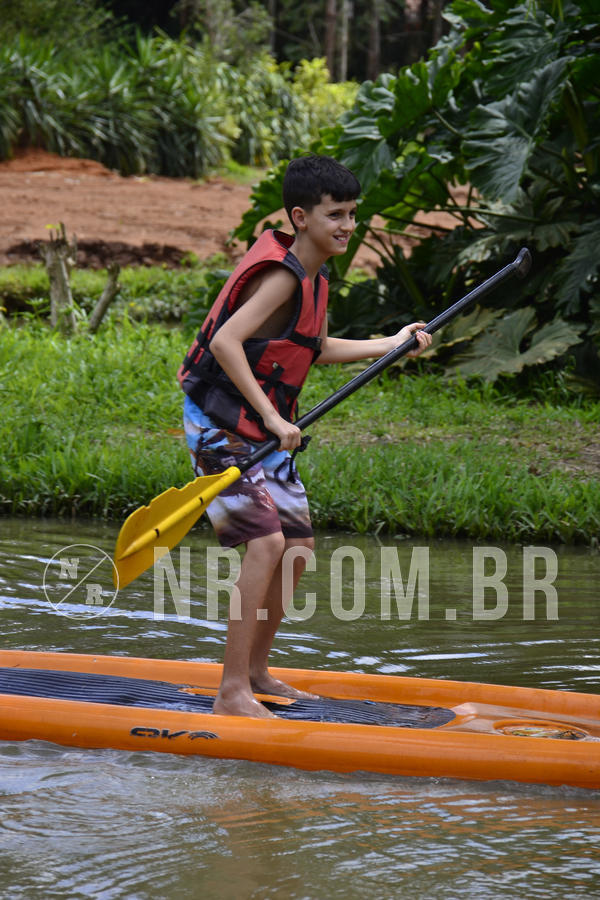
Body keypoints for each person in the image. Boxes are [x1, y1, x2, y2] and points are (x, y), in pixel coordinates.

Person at [178, 155, 431, 718]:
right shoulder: (280, 276)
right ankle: (230, 693)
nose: (347, 225)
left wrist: (390, 343)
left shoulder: (314, 279)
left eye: (352, 214)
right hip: (221, 423)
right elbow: (225, 342)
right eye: (335, 214)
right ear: (301, 216)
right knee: (266, 544)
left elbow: (311, 348)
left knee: (297, 548)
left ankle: (258, 673)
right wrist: (272, 418)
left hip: (263, 427)